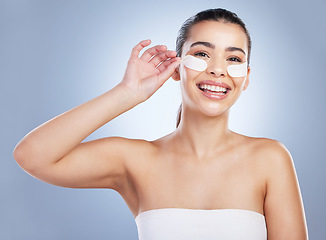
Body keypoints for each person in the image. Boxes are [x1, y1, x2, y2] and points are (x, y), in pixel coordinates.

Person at [14, 8, 308, 240]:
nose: (218, 69)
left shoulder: (270, 159)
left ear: (246, 78)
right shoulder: (135, 160)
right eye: (202, 54)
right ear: (177, 67)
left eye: (233, 58)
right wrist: (126, 94)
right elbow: (32, 156)